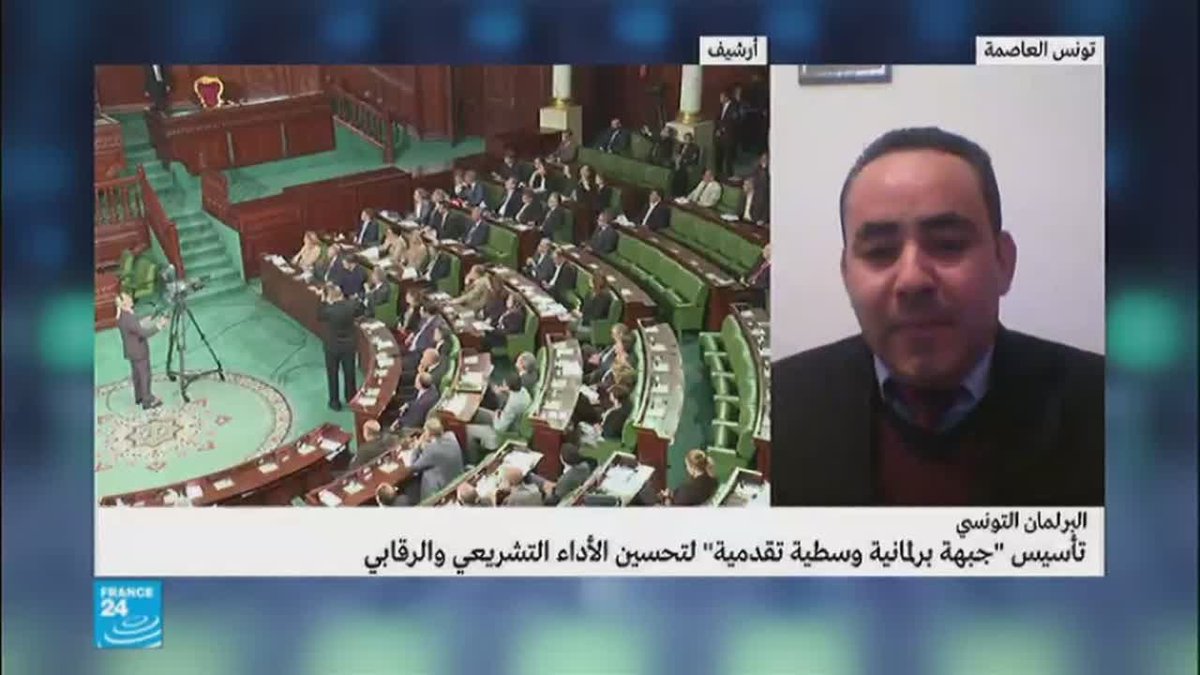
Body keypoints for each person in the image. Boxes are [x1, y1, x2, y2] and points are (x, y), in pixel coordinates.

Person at [772, 126, 1105, 507]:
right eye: (880, 251)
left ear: (1003, 261)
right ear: (846, 275)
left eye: (948, 244)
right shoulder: (785, 404)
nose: (912, 279)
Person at [115, 292, 169, 410]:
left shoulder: (123, 316)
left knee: (137, 375)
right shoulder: (129, 318)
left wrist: (148, 319)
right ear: (124, 304)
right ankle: (147, 400)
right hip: (139, 351)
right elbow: (144, 333)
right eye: (128, 298)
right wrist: (159, 326)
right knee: (145, 375)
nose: (131, 298)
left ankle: (139, 396)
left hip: (131, 351)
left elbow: (135, 327)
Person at [466, 373, 532, 462]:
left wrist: (496, 415)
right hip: (505, 420)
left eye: (504, 384)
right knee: (477, 412)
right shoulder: (524, 392)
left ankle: (472, 461)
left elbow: (499, 428)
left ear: (508, 387)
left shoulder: (512, 405)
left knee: (467, 430)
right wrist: (503, 391)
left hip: (501, 433)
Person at [317, 285, 363, 411]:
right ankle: (351, 398)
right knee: (349, 373)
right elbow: (361, 310)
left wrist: (323, 301)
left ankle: (334, 402)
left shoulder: (328, 310)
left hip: (332, 347)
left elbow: (319, 316)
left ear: (330, 297)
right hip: (348, 346)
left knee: (332, 374)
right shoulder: (351, 305)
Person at [402, 417, 464, 504]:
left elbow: (413, 467)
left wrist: (417, 447)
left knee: (412, 484)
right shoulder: (451, 436)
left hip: (441, 489)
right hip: (457, 480)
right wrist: (427, 446)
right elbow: (439, 451)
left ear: (428, 434)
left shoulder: (431, 450)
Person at [575, 274, 615, 339]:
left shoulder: (606, 297)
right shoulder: (589, 293)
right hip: (586, 321)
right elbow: (583, 309)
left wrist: (583, 318)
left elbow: (598, 314)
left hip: (595, 325)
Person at [714, 89, 739, 179]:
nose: (720, 99)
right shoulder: (720, 107)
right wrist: (717, 129)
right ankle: (718, 173)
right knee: (718, 155)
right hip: (719, 136)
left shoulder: (734, 107)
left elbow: (732, 121)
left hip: (728, 136)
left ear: (726, 97)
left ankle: (729, 174)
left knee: (728, 156)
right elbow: (717, 119)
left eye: (722, 97)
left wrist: (722, 129)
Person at [671, 132, 701, 197]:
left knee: (682, 174)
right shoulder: (681, 145)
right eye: (685, 139)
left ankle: (681, 194)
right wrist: (677, 161)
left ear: (691, 140)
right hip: (679, 164)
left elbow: (693, 159)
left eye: (688, 139)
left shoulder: (695, 148)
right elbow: (677, 154)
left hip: (687, 164)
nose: (686, 140)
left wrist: (683, 161)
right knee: (674, 174)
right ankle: (674, 193)